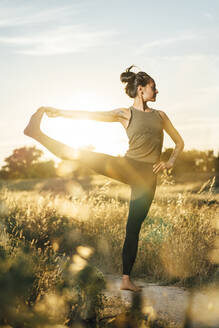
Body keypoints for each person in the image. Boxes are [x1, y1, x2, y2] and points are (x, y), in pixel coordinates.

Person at [23, 65, 184, 292]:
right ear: (140, 90)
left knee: (133, 228)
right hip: (128, 167)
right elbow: (92, 116)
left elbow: (179, 142)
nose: (156, 92)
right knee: (83, 156)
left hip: (148, 177)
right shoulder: (124, 113)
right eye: (153, 88)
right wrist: (59, 111)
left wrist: (169, 162)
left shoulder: (161, 115)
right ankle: (36, 133)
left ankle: (126, 280)